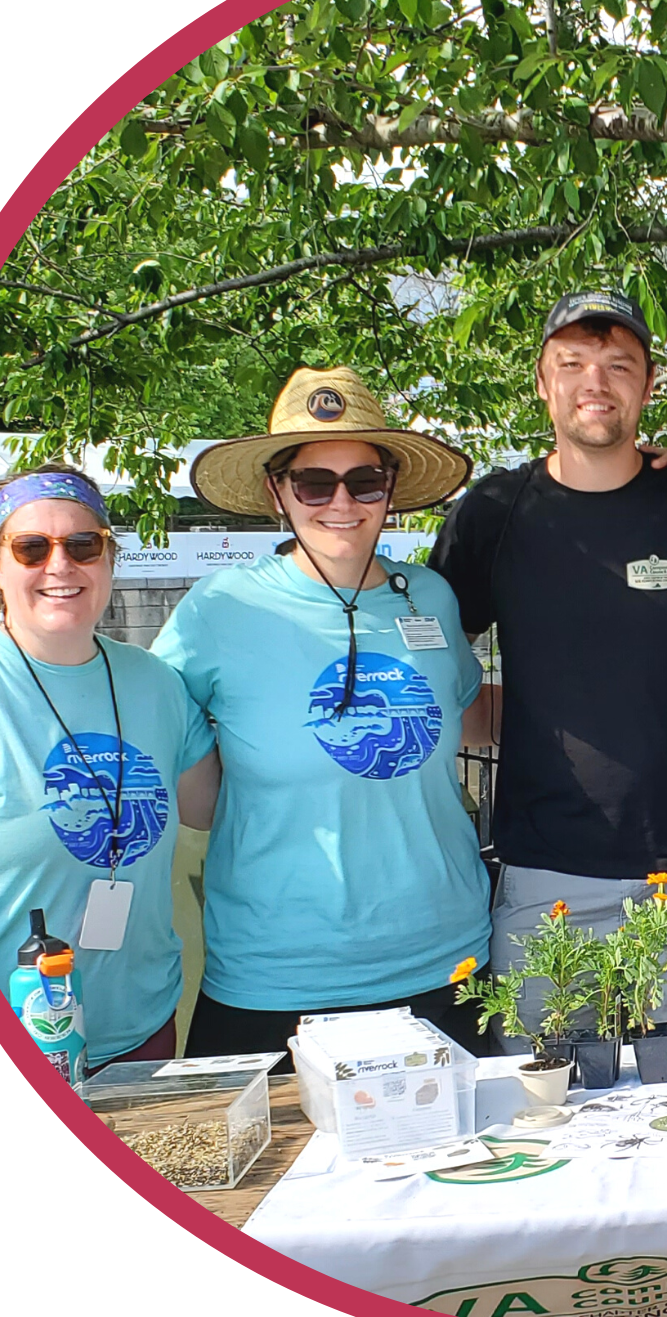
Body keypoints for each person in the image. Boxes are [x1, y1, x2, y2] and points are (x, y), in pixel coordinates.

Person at [428, 291, 667, 1043]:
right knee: (546, 1106)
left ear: (649, 382)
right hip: (548, 872)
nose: (594, 382)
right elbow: (432, 658)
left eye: (618, 364)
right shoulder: (495, 512)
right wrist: (511, 717)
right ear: (543, 382)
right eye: (572, 364)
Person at [152, 366, 494, 1065]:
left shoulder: (429, 596)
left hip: (445, 963)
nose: (342, 502)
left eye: (364, 481)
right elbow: (149, 727)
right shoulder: (220, 610)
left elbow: (468, 714)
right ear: (280, 492)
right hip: (273, 978)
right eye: (314, 483)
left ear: (390, 491)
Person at [0, 465, 220, 1068]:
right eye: (31, 548)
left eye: (83, 545)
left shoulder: (155, 682)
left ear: (109, 558)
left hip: (142, 1031)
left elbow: (212, 809)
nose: (60, 565)